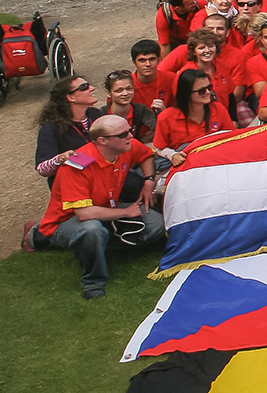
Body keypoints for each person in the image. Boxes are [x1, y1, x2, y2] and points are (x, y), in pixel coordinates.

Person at [23, 114, 165, 298]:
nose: (131, 136)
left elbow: (146, 155)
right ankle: (93, 281)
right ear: (102, 141)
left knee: (157, 224)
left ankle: (102, 248)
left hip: (104, 209)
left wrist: (149, 181)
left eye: (129, 131)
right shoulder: (77, 165)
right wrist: (125, 212)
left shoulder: (125, 146)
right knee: (91, 230)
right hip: (68, 220)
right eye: (123, 134)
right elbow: (84, 213)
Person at [35, 75, 104, 182]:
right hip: (73, 182)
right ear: (71, 98)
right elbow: (42, 169)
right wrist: (60, 159)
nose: (92, 88)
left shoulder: (94, 114)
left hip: (102, 174)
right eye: (84, 87)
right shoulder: (51, 128)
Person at [153, 68, 233, 153]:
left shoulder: (218, 109)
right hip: (183, 161)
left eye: (209, 87)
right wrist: (172, 155)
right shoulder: (166, 117)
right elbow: (159, 148)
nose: (208, 92)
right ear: (186, 93)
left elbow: (230, 138)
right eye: (201, 91)